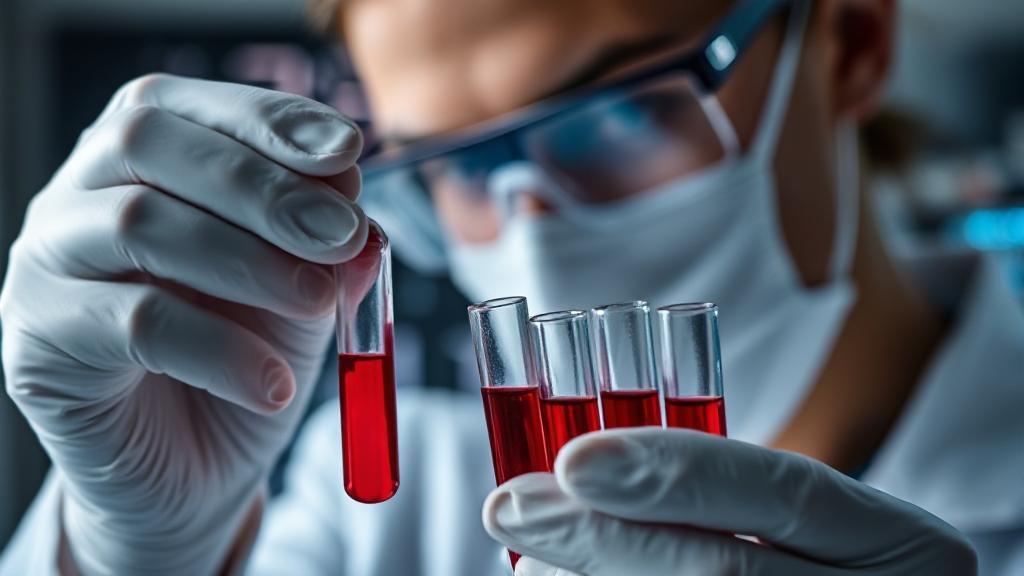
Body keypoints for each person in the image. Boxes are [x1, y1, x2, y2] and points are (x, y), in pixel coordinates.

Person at [1, 0, 1021, 573]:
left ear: (848, 42)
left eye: (616, 115)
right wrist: (130, 555)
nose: (533, 226)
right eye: (458, 165)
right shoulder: (390, 512)